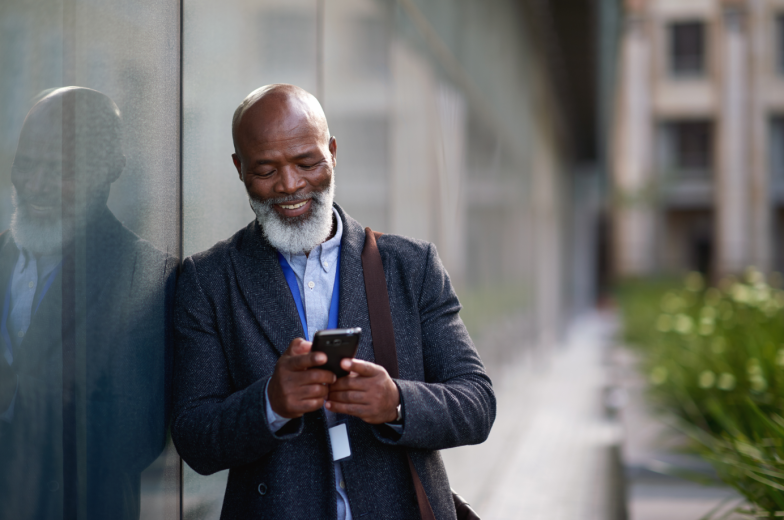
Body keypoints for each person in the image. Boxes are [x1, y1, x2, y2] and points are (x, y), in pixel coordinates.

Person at [172, 83, 495, 519]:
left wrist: (396, 402)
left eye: (306, 162)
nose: (289, 185)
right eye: (265, 170)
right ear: (238, 167)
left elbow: (477, 403)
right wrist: (269, 402)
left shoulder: (412, 267)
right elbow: (194, 437)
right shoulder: (208, 280)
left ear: (333, 151)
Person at [0, 87, 175, 520]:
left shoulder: (147, 275)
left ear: (107, 171)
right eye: (25, 165)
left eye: (57, 169)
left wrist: (16, 397)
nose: (35, 185)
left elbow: (140, 437)